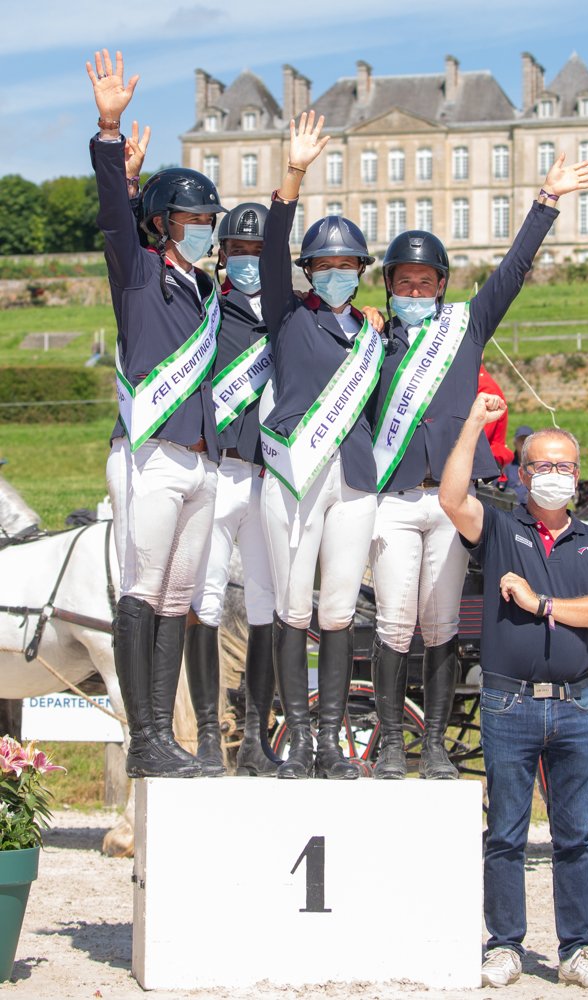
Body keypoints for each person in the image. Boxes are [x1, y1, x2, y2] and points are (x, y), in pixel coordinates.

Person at [369, 153, 588, 780]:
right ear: (388, 285)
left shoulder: (466, 329)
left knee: (441, 623)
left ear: (441, 284)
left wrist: (544, 204)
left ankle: (436, 744)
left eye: (425, 282)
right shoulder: (369, 339)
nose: (414, 292)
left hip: (451, 502)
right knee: (393, 622)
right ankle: (392, 741)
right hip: (392, 499)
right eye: (403, 282)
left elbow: (514, 273)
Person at [439, 396, 588, 989]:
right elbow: (449, 498)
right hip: (508, 701)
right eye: (541, 466)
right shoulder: (499, 527)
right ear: (521, 474)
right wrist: (473, 423)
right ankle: (505, 945)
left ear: (577, 474)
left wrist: (543, 605)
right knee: (506, 834)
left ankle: (578, 949)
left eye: (564, 467)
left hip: (574, 702)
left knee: (575, 834)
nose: (553, 476)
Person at [87, 49, 225, 778]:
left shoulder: (203, 292)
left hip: (201, 458)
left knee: (177, 599)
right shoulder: (138, 271)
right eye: (195, 218)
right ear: (164, 223)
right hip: (151, 451)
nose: (205, 228)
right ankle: (142, 737)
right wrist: (111, 138)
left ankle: (164, 737)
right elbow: (116, 218)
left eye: (210, 219)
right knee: (140, 590)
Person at [258, 111, 385, 780]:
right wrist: (295, 172)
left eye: (346, 265)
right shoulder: (287, 313)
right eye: (324, 266)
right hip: (293, 474)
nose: (335, 274)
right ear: (310, 270)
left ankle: (332, 741)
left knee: (338, 610)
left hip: (354, 478)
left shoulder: (372, 330)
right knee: (291, 607)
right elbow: (275, 241)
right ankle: (298, 739)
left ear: (361, 271)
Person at [186, 203, 281, 776]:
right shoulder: (203, 309)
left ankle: (255, 737)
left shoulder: (292, 313)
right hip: (219, 472)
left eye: (258, 253)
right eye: (239, 251)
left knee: (268, 605)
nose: (248, 262)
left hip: (269, 477)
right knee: (207, 601)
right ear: (222, 255)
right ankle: (204, 734)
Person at [502, 424, 534, 505]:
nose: (523, 443)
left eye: (527, 440)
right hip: (511, 511)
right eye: (521, 439)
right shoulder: (506, 466)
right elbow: (497, 492)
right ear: (515, 443)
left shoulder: (542, 466)